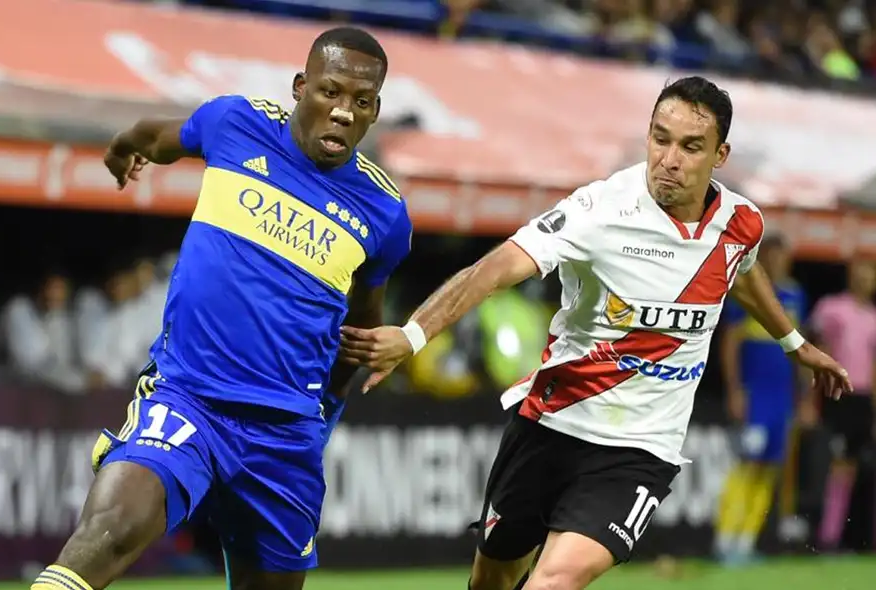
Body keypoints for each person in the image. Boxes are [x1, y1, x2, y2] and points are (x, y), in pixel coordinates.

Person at [339, 76, 851, 590]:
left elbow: (741, 272)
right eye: (660, 138)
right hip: (551, 424)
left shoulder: (743, 223)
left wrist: (797, 345)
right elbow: (492, 270)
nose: (669, 158)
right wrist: (412, 335)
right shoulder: (600, 210)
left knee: (552, 582)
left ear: (721, 155)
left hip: (641, 450)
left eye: (690, 146)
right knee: (490, 581)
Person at [30, 26, 411, 590]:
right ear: (301, 87)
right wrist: (123, 146)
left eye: (361, 102)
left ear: (376, 110)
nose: (342, 113)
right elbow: (159, 137)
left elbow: (361, 328)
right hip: (189, 398)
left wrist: (324, 409)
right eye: (330, 92)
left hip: (285, 434)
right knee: (107, 533)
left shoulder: (384, 212)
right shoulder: (237, 123)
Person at [714, 232, 806, 565]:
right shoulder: (749, 292)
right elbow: (730, 343)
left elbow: (799, 348)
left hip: (782, 397)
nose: (778, 262)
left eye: (783, 256)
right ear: (763, 258)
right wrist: (735, 389)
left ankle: (746, 542)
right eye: (773, 255)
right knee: (746, 465)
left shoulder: (795, 294)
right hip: (755, 394)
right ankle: (725, 540)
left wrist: (803, 396)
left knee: (769, 469)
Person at [809, 259, 876, 552]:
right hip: (838, 394)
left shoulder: (873, 317)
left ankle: (846, 536)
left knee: (853, 468)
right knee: (834, 467)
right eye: (859, 275)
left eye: (869, 276)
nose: (864, 281)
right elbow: (816, 348)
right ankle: (826, 537)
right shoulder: (832, 307)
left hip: (863, 399)